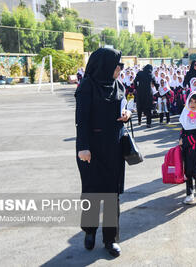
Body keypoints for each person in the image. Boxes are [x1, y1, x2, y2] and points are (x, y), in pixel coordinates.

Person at [75, 48, 131, 257]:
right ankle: (89, 231)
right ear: (105, 65)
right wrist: (83, 147)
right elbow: (82, 120)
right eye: (118, 65)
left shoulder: (118, 85)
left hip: (113, 148)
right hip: (90, 149)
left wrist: (128, 114)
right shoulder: (87, 86)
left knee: (111, 194)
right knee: (92, 191)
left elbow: (125, 106)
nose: (120, 69)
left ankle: (110, 239)